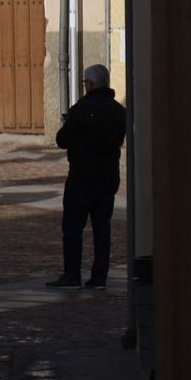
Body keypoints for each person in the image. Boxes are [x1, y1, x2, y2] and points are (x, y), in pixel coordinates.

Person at [47, 64, 127, 290]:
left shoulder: (80, 109)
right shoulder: (118, 111)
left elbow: (62, 139)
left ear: (90, 85)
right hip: (107, 176)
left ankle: (72, 274)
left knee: (73, 228)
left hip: (81, 176)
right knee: (102, 228)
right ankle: (99, 276)